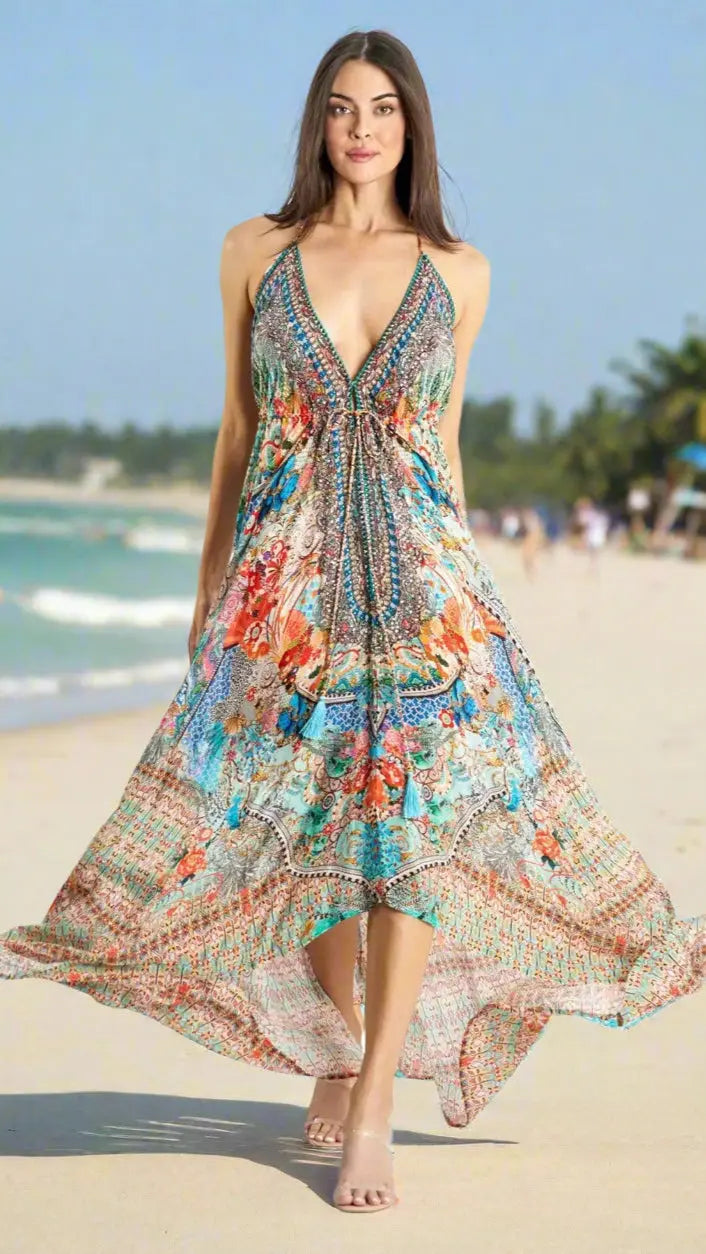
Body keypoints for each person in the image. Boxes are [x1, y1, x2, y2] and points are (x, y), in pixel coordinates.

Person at [1, 29, 704, 1216]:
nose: (362, 127)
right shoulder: (252, 251)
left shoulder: (460, 270)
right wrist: (207, 588)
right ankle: (334, 1044)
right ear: (318, 125)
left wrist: (477, 594)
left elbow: (444, 446)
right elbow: (236, 431)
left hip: (425, 592)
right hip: (285, 588)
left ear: (412, 126)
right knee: (310, 828)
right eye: (342, 107)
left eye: (383, 107)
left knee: (409, 834)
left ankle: (372, 1096)